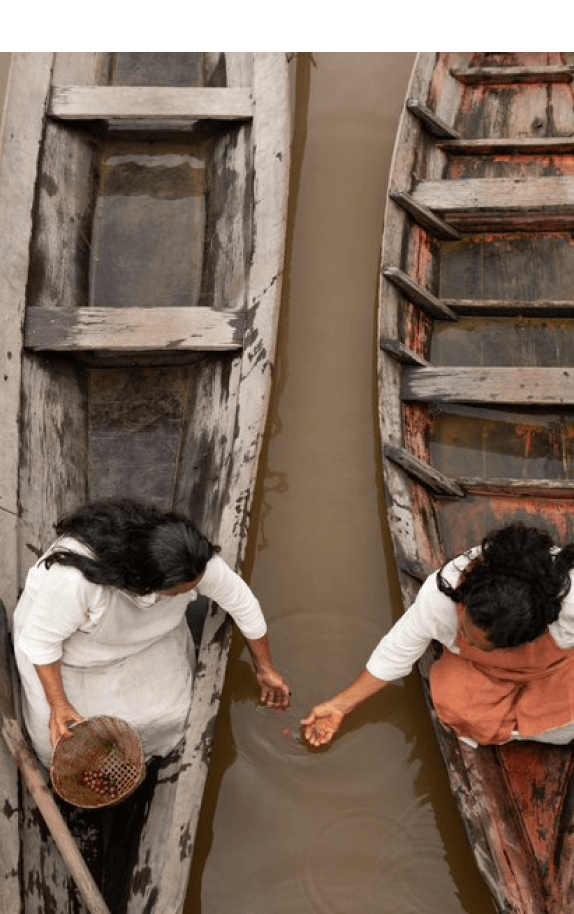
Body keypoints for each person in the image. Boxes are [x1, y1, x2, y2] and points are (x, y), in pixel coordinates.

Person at [13, 498, 291, 768]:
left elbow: (242, 602)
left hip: (144, 642)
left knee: (174, 715)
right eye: (178, 592)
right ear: (142, 583)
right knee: (63, 743)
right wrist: (59, 704)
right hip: (69, 660)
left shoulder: (192, 562)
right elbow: (41, 645)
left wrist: (265, 668)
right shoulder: (73, 582)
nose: (191, 593)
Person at [302, 522, 574, 748]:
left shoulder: (570, 604)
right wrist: (340, 706)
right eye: (466, 634)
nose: (466, 642)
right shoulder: (441, 596)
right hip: (483, 673)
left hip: (555, 667)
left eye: (485, 645)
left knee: (563, 731)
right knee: (454, 706)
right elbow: (396, 652)